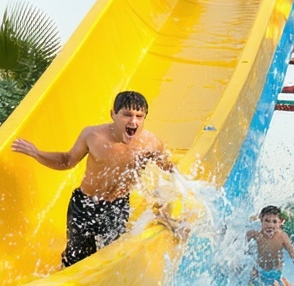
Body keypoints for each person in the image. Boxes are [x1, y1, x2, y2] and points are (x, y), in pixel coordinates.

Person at [12, 90, 176, 268]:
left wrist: (165, 207)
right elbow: (67, 161)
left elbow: (170, 173)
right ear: (113, 114)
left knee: (112, 258)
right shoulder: (93, 136)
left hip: (117, 206)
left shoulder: (151, 144)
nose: (133, 121)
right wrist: (37, 153)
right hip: (85, 205)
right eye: (127, 115)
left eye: (139, 116)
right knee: (75, 259)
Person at [246, 205, 294, 286]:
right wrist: (251, 268)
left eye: (274, 222)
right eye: (267, 221)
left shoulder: (282, 237)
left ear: (280, 223)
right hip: (259, 272)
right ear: (261, 219)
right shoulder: (255, 234)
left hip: (275, 274)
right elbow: (244, 251)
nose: (270, 225)